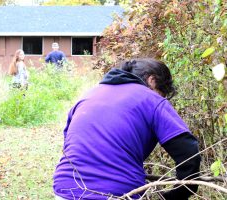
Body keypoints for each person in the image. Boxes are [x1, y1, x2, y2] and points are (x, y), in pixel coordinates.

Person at [53, 58, 201, 199]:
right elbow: (188, 151)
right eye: (163, 92)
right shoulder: (151, 99)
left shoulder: (87, 96)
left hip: (65, 188)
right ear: (152, 80)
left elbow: (70, 144)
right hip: (117, 192)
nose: (162, 97)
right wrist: (178, 195)